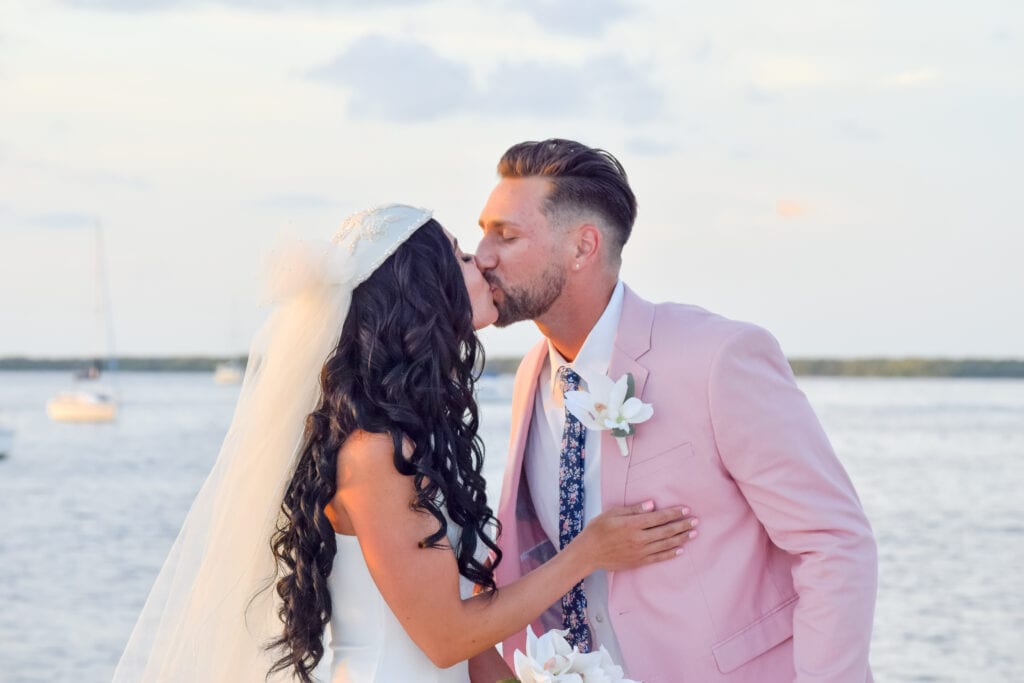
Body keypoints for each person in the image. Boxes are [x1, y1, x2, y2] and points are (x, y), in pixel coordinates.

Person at [113, 204, 696, 683]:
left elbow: (468, 648)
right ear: (426, 292)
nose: (484, 264)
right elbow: (445, 637)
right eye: (465, 258)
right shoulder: (374, 452)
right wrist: (588, 553)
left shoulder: (413, 434)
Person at [477, 140, 879, 682]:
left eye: (506, 235)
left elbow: (833, 541)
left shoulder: (717, 357)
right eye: (483, 232)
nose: (483, 255)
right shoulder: (533, 374)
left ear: (582, 247)